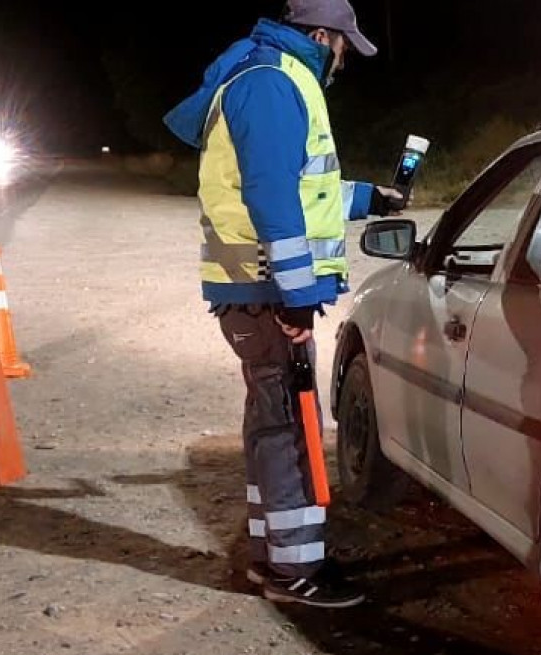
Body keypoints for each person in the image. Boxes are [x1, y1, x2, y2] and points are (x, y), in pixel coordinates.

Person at [164, 0, 405, 609]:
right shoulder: (273, 82)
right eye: (343, 44)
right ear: (320, 36)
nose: (343, 57)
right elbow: (271, 197)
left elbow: (306, 189)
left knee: (272, 420)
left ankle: (275, 556)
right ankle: (294, 573)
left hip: (257, 289)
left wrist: (369, 199)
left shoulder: (266, 75)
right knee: (289, 426)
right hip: (266, 292)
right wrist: (296, 299)